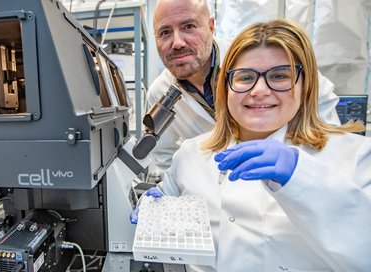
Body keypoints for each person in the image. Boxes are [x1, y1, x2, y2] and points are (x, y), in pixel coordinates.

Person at [138, 18, 371, 271]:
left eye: (280, 75)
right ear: (226, 88)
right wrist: (152, 208)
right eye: (245, 77)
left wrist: (303, 178)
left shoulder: (355, 157)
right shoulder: (192, 153)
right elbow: (166, 201)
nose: (259, 90)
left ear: (306, 86)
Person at [146, 0, 341, 179]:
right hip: (220, 188)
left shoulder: (254, 55)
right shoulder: (159, 92)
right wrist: (176, 192)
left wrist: (300, 165)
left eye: (189, 27)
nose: (178, 43)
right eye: (165, 32)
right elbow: (163, 156)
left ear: (211, 26)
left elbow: (324, 122)